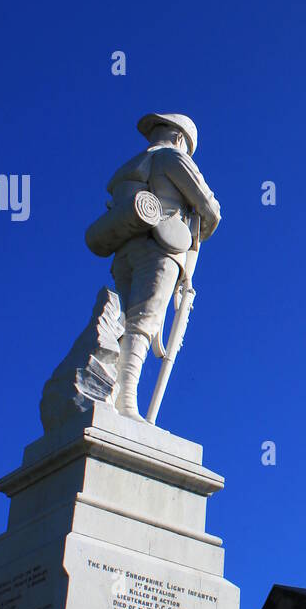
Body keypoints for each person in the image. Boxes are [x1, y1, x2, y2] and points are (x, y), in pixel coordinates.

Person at [106, 113, 221, 419]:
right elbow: (210, 208)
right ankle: (126, 401)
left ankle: (109, 391)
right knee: (144, 323)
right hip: (163, 248)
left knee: (120, 322)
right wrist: (200, 229)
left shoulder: (129, 168)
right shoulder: (173, 158)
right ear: (181, 138)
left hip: (124, 251)